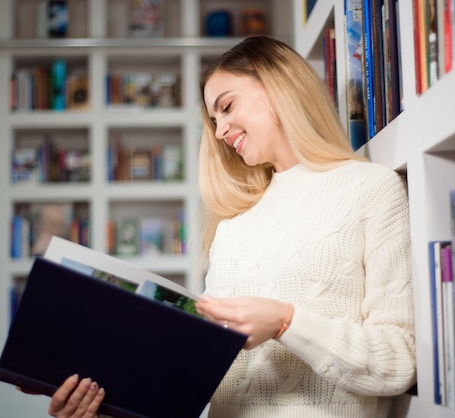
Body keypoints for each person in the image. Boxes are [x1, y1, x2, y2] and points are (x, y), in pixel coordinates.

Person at [40, 35, 416, 418]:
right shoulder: (233, 227)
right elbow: (197, 386)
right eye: (214, 121)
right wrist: (103, 402)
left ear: (278, 85)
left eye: (227, 106)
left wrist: (286, 322)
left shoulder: (372, 188)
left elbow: (398, 359)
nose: (219, 132)